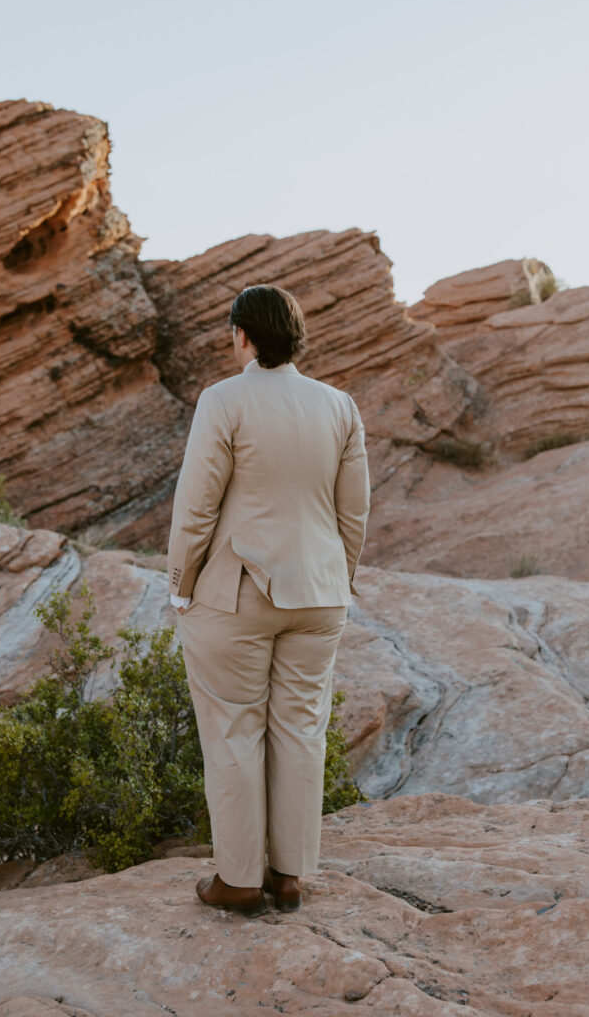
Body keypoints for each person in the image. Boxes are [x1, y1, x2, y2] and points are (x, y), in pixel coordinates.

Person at [167, 284, 370, 917]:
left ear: (242, 336)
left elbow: (197, 505)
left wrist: (180, 583)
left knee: (233, 730)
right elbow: (353, 512)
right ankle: (289, 878)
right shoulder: (339, 406)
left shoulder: (224, 400)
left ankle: (238, 881)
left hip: (240, 593)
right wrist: (340, 577)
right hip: (321, 596)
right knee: (301, 729)